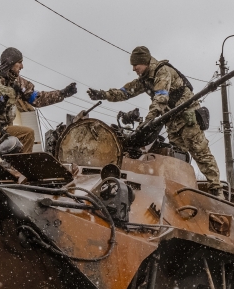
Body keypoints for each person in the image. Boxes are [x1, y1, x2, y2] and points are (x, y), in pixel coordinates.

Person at [87, 46, 222, 196]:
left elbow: (161, 98)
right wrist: (103, 94)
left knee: (200, 153)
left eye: (135, 65)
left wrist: (149, 120)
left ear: (144, 62)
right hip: (172, 122)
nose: (133, 69)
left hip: (187, 118)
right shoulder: (145, 80)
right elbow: (125, 92)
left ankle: (217, 190)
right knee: (177, 157)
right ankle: (180, 189)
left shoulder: (162, 72)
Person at [0, 47, 76, 154]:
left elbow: (37, 99)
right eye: (19, 62)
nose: (22, 66)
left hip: (1, 131)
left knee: (28, 133)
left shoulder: (18, 83)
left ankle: (22, 170)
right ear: (10, 63)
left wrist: (62, 93)